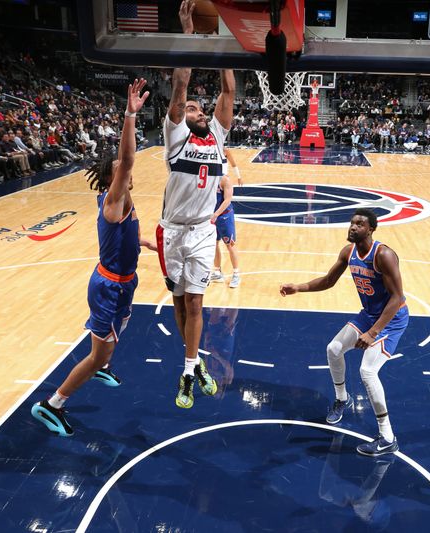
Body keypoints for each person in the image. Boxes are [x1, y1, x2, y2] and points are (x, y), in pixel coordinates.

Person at [31, 79, 155, 436]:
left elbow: (121, 236)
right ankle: (52, 404)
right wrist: (130, 114)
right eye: (120, 169)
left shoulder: (121, 203)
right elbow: (129, 158)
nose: (127, 169)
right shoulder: (114, 199)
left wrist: (143, 242)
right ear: (112, 178)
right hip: (107, 287)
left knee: (117, 334)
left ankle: (103, 360)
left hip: (124, 281)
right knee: (98, 353)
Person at [279, 208, 408, 456]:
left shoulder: (384, 255)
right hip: (369, 314)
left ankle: (387, 437)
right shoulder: (348, 252)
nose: (353, 227)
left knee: (367, 372)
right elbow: (328, 281)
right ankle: (342, 398)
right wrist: (299, 287)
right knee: (334, 349)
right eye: (352, 223)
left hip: (391, 320)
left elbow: (397, 298)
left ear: (371, 229)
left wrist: (373, 332)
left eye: (359, 224)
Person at [158, 0, 235, 409]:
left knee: (195, 301)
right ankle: (194, 360)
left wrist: (223, 38)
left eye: (201, 109)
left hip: (203, 229)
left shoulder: (218, 137)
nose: (199, 110)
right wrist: (187, 31)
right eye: (191, 109)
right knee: (177, 299)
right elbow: (181, 86)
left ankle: (189, 368)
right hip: (171, 230)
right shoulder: (175, 138)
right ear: (180, 117)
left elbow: (228, 90)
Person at [210, 148, 242, 288]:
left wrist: (216, 214)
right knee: (214, 244)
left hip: (224, 216)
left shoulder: (225, 179)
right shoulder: (207, 178)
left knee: (230, 244)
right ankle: (217, 272)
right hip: (212, 216)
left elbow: (228, 199)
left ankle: (236, 274)